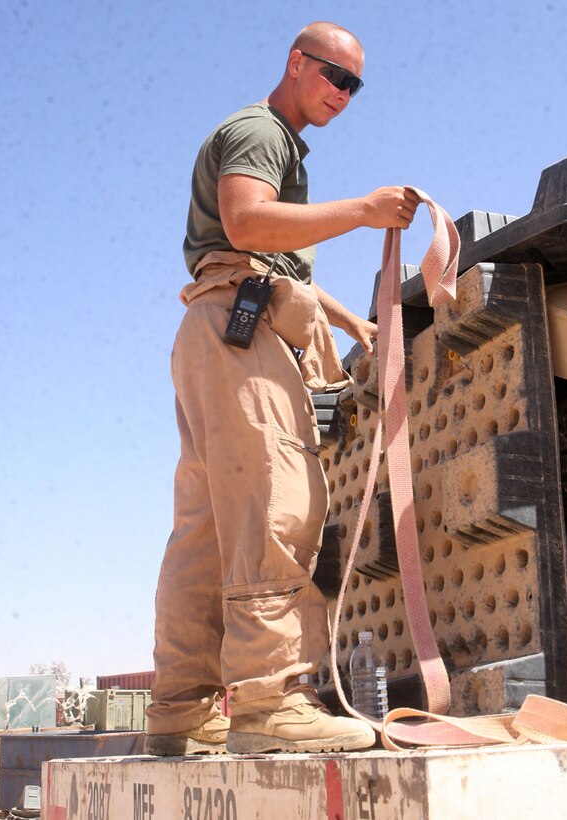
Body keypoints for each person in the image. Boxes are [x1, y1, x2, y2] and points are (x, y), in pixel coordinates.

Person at [145, 20, 419, 756]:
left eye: (354, 86)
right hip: (239, 334)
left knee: (205, 530)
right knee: (278, 503)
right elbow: (245, 220)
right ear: (296, 63)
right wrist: (362, 212)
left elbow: (278, 260)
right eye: (334, 76)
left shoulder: (274, 145)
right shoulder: (260, 132)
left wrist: (352, 326)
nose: (343, 95)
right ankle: (269, 700)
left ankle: (178, 707)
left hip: (216, 329)